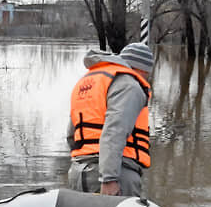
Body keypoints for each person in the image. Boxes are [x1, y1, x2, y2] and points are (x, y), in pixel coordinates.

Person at [66, 42, 154, 197]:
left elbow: (71, 134)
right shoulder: (130, 86)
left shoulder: (88, 82)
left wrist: (83, 163)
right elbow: (115, 132)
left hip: (78, 172)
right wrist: (109, 178)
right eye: (147, 74)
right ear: (142, 70)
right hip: (116, 174)